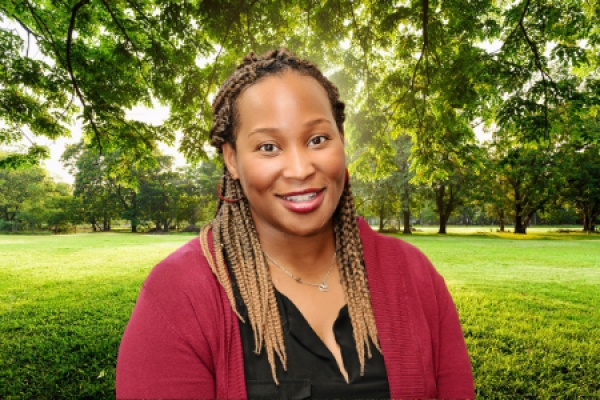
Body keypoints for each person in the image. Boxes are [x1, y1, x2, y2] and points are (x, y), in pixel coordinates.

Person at [116, 48, 475, 399]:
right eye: (268, 147)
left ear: (343, 141)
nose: (301, 169)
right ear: (232, 159)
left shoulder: (415, 275)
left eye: (317, 139)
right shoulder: (178, 296)